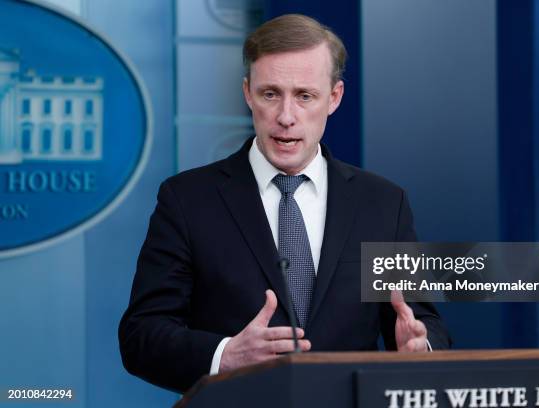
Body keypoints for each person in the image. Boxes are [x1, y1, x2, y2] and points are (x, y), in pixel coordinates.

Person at [119, 13, 450, 393]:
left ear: (334, 98)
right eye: (270, 94)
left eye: (305, 96)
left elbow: (421, 322)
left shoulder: (382, 204)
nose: (286, 117)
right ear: (248, 93)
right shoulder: (187, 199)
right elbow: (141, 336)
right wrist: (224, 355)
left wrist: (418, 349)